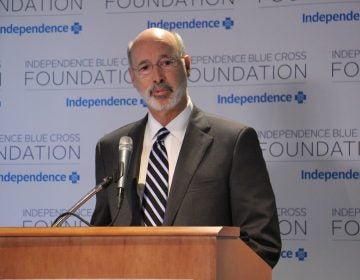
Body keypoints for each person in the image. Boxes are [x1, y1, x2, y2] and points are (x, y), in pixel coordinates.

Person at [91, 28, 281, 268]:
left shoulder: (233, 141)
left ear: (187, 65)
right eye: (145, 67)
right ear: (133, 77)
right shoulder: (112, 148)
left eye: (166, 62)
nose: (157, 76)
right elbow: (99, 238)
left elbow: (261, 241)